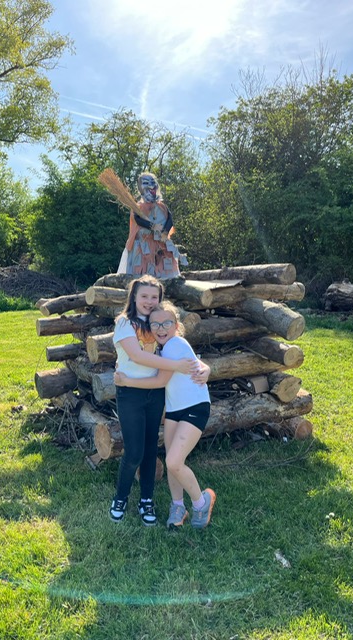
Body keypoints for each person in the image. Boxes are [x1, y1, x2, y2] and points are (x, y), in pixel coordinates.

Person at [110, 275, 207, 526]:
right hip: (130, 393)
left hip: (155, 393)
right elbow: (137, 356)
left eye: (155, 297)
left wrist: (204, 368)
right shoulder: (125, 323)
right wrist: (176, 366)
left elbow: (183, 352)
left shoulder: (158, 324)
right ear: (134, 296)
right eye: (144, 296)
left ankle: (146, 500)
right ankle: (120, 497)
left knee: (151, 449)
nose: (149, 301)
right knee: (134, 451)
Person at [117, 172, 188, 279]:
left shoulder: (162, 207)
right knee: (142, 274)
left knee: (165, 272)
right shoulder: (138, 207)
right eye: (146, 183)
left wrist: (165, 232)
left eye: (153, 182)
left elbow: (170, 220)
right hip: (143, 248)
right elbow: (138, 220)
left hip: (161, 247)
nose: (151, 185)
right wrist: (153, 227)